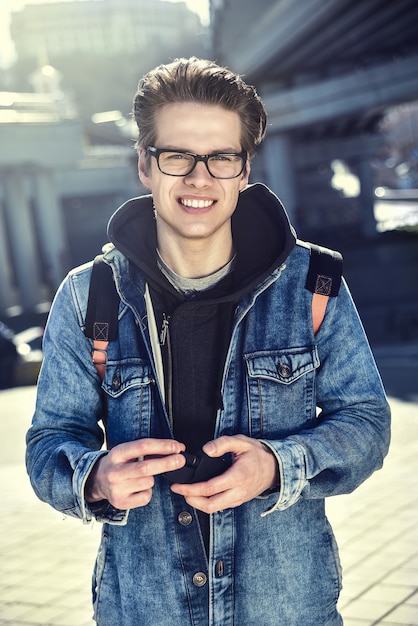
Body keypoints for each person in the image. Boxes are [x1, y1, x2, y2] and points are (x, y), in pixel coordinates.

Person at [26, 57, 391, 626]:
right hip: (145, 610)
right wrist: (95, 478)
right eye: (177, 156)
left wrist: (277, 465)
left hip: (286, 609)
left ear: (244, 170)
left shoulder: (312, 287)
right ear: (145, 165)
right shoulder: (86, 296)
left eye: (221, 157)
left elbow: (366, 422)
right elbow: (50, 441)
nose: (200, 178)